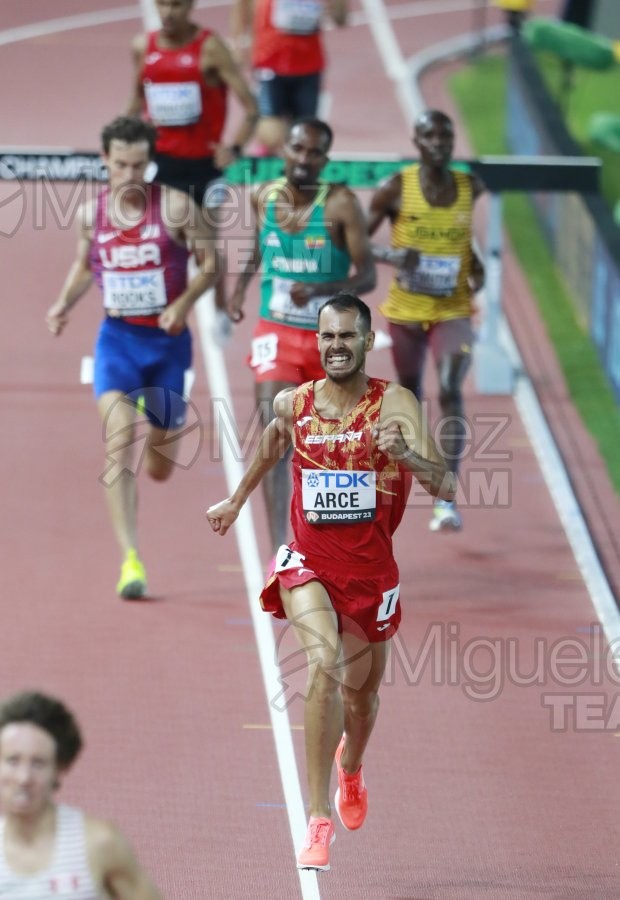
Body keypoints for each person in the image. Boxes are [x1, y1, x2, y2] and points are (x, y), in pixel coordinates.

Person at [207, 293, 455, 870]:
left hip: (370, 576)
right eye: (327, 337)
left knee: (362, 701)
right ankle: (317, 818)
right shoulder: (297, 404)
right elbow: (273, 442)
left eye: (347, 337)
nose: (336, 346)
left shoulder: (394, 404)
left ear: (368, 342)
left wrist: (408, 458)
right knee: (323, 664)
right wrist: (237, 499)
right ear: (317, 343)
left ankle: (351, 769)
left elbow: (445, 486)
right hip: (307, 563)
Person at [46, 116, 218, 600]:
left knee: (160, 466)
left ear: (150, 161)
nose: (129, 174)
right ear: (105, 160)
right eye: (120, 164)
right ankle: (130, 559)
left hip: (168, 347)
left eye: (139, 165)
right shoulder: (91, 214)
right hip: (118, 343)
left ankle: (161, 438)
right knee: (120, 435)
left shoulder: (178, 208)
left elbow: (211, 262)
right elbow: (85, 265)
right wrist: (63, 303)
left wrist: (183, 304)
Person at [227, 117, 376, 562]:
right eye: (297, 149)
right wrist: (238, 289)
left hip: (331, 343)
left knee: (335, 446)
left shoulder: (342, 206)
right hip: (276, 331)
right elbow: (260, 246)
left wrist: (320, 291)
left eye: (314, 153)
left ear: (325, 160)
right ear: (285, 151)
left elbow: (366, 274)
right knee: (277, 429)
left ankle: (334, 540)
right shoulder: (263, 196)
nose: (304, 159)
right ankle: (282, 548)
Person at [367, 109, 485, 533]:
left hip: (453, 308)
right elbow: (358, 239)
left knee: (451, 388)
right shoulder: (396, 188)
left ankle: (446, 495)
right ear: (417, 143)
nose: (439, 142)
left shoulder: (471, 186)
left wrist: (475, 264)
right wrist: (390, 255)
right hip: (405, 311)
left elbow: (462, 234)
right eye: (429, 136)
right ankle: (417, 473)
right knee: (411, 397)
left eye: (445, 135)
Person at [126, 0, 259, 343]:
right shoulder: (144, 46)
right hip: (162, 166)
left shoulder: (211, 48)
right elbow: (135, 101)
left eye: (177, 6)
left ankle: (218, 310)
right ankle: (169, 306)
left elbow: (252, 108)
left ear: (191, 6)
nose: (169, 13)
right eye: (163, 5)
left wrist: (236, 148)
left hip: (204, 167)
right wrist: (122, 142)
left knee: (209, 247)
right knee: (162, 242)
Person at [0, 690, 162, 898]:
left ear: (59, 769)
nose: (24, 778)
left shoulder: (99, 843)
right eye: (13, 761)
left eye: (38, 764)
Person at [230, 0, 347, 153]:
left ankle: (294, 170)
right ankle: (266, 160)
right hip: (269, 61)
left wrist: (337, 7)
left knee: (305, 133)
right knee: (271, 133)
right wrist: (238, 43)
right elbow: (242, 7)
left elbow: (340, 19)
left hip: (308, 66)